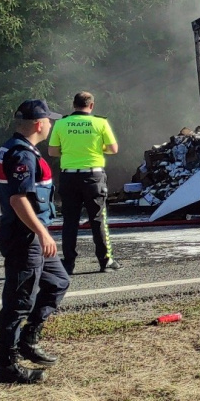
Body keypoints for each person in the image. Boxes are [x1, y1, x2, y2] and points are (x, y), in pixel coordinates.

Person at [0, 100, 70, 384]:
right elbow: (17, 199)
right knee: (18, 301)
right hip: (24, 237)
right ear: (39, 124)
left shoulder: (19, 149)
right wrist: (42, 232)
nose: (51, 124)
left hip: (32, 237)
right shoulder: (21, 155)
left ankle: (29, 337)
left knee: (58, 282)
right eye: (49, 120)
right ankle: (7, 366)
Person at [48, 92, 121, 274]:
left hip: (69, 177)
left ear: (73, 105)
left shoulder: (61, 123)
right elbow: (113, 149)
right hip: (93, 177)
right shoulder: (100, 122)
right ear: (92, 106)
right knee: (98, 219)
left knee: (70, 221)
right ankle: (105, 261)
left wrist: (70, 150)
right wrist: (96, 147)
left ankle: (69, 263)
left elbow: (52, 152)